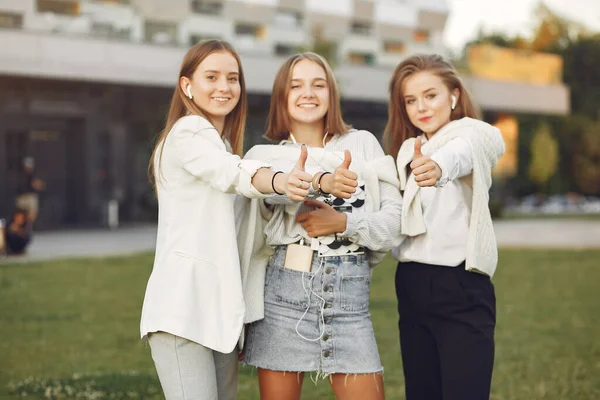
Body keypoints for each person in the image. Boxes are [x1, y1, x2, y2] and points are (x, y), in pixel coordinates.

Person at [139, 40, 309, 400]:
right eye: (211, 77)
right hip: (183, 312)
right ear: (187, 86)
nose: (224, 87)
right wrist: (279, 179)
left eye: (233, 78)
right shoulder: (188, 133)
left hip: (219, 316)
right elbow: (232, 173)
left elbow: (244, 230)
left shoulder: (221, 145)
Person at [236, 52, 403, 400]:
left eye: (318, 84)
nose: (307, 93)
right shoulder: (262, 158)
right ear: (282, 97)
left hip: (349, 302)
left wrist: (344, 221)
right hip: (283, 300)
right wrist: (323, 181)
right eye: (295, 86)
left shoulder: (363, 144)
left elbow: (393, 225)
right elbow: (280, 192)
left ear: (332, 94)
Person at [383, 54, 506, 400]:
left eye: (430, 95)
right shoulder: (407, 151)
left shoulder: (472, 135)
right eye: (410, 100)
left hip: (459, 286)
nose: (421, 107)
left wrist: (437, 168)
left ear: (453, 95)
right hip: (411, 285)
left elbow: (466, 152)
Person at [15, 157, 45, 225]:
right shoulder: (28, 174)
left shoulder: (22, 174)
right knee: (30, 213)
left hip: (21, 196)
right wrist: (41, 185)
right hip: (28, 197)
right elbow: (35, 184)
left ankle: (25, 227)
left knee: (24, 214)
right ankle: (26, 227)